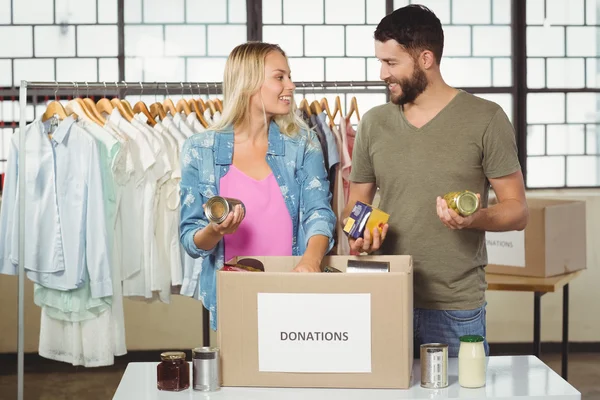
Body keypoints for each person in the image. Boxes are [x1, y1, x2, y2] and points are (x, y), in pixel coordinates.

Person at [344, 5, 529, 357]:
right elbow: (357, 205)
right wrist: (359, 234)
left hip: (455, 305)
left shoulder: (486, 118)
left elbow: (517, 211)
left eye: (391, 63)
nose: (382, 73)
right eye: (380, 62)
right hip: (387, 294)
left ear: (426, 58)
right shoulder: (373, 122)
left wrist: (474, 219)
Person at [179, 42, 336, 331]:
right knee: (241, 377)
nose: (291, 84)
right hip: (233, 299)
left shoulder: (302, 145)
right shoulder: (200, 150)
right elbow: (190, 239)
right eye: (280, 77)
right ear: (249, 83)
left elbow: (319, 213)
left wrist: (311, 262)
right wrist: (214, 231)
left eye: (289, 76)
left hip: (294, 295)